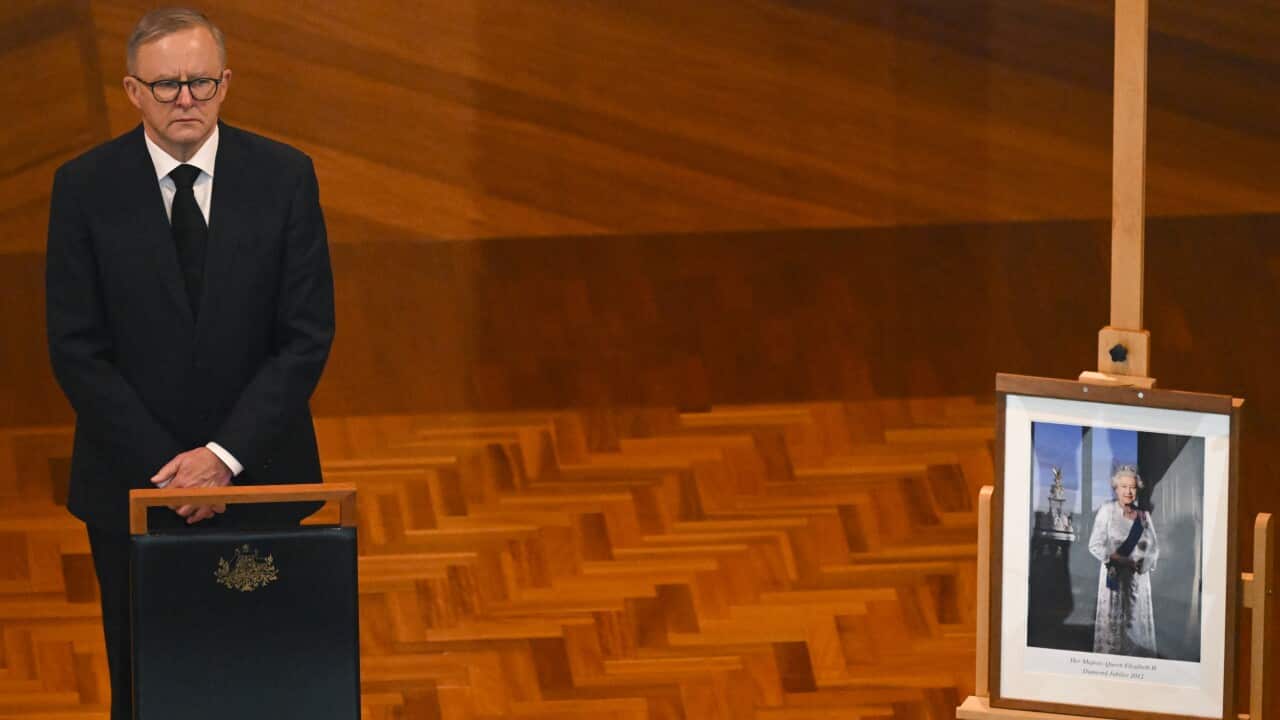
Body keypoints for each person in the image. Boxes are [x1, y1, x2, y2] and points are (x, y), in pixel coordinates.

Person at [44, 8, 334, 719]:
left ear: (226, 84)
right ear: (132, 90)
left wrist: (224, 458)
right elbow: (76, 348)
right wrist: (171, 472)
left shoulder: (285, 176)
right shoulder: (84, 186)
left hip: (260, 474)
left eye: (200, 82)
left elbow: (305, 335)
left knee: (263, 676)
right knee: (147, 683)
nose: (185, 99)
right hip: (133, 486)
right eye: (167, 84)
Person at [1088, 465, 1159, 657]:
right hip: (1114, 579)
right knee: (1114, 628)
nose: (1128, 491)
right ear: (1116, 489)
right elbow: (1095, 545)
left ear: (1137, 489)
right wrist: (1120, 559)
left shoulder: (1144, 517)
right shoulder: (1107, 511)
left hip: (1137, 580)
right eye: (1124, 486)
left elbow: (1154, 548)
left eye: (1133, 487)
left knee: (1135, 625)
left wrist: (1141, 564)